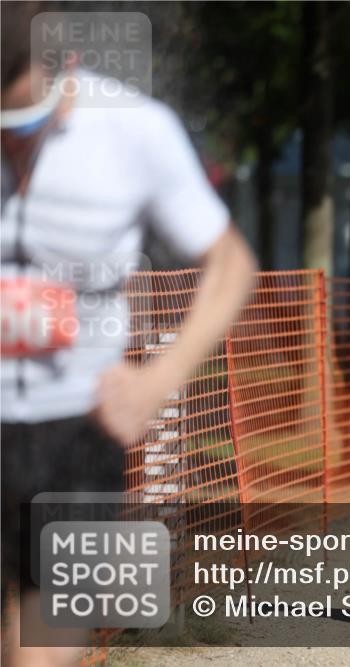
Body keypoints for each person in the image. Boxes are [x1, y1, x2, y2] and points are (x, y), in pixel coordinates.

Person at [1, 5, 257, 665]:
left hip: (78, 433)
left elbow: (230, 262)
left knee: (41, 650)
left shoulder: (132, 129)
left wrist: (158, 379)